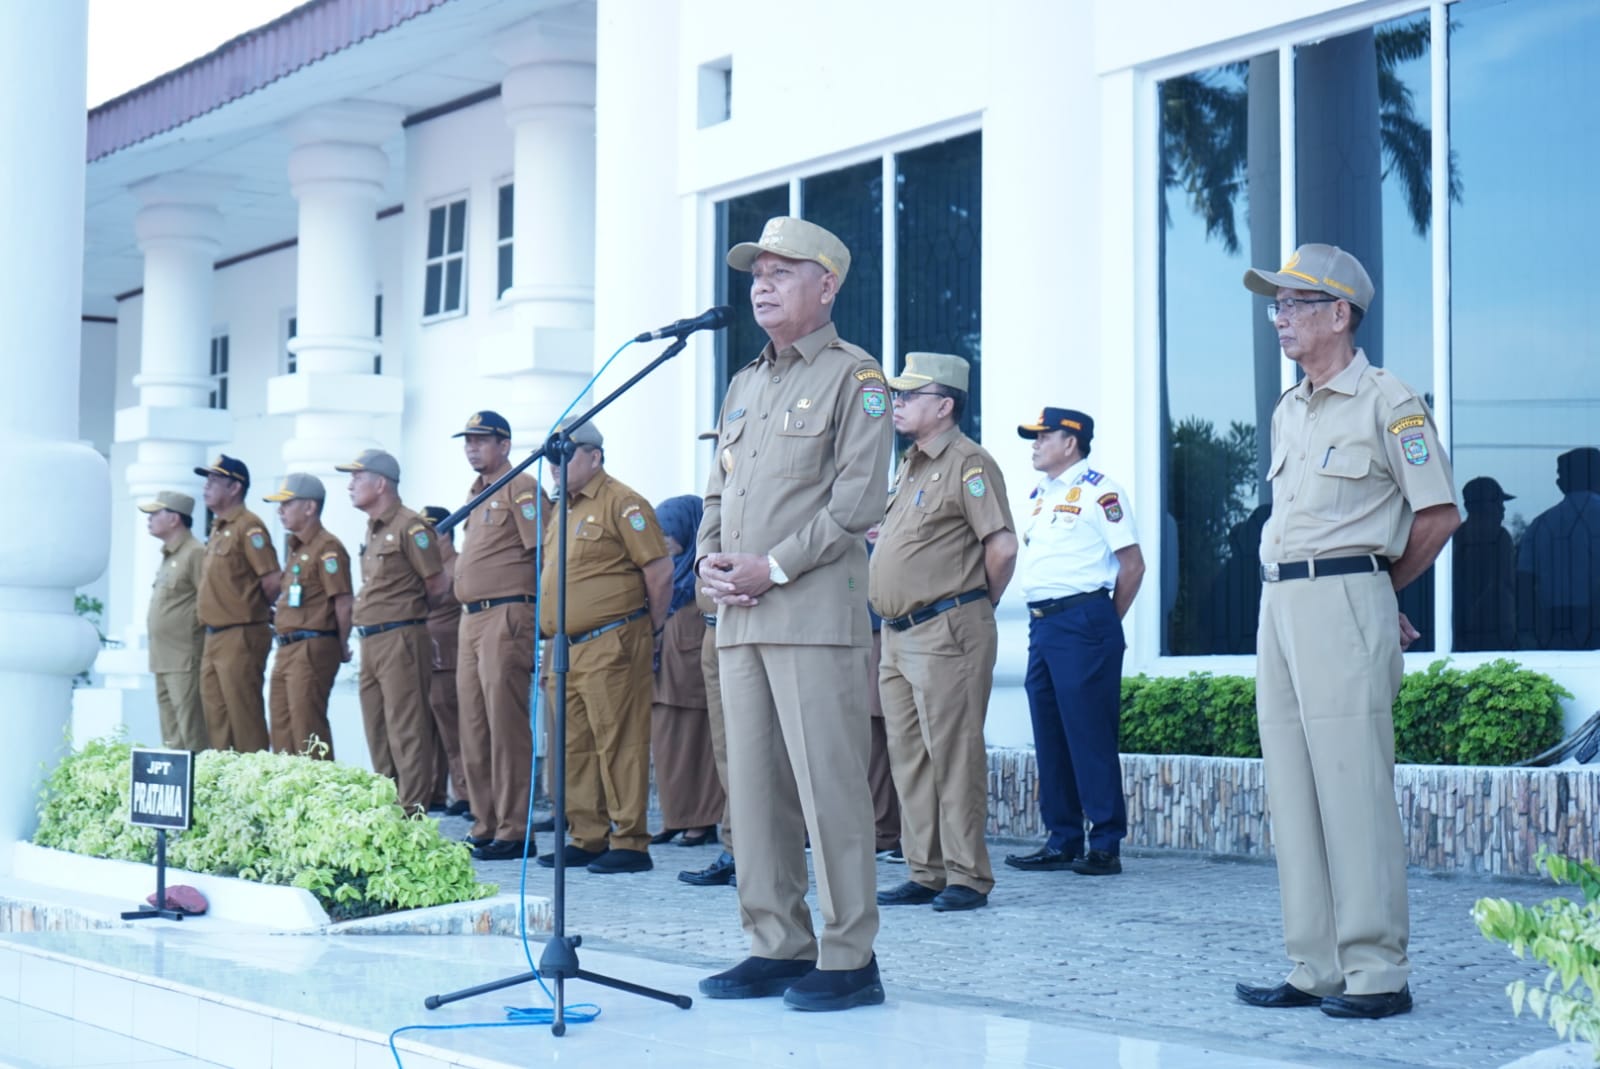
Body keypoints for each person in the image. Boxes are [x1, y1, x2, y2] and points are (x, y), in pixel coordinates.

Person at [1235, 243, 1459, 1020]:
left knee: (1352, 790)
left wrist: (1375, 587)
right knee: (1293, 789)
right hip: (1280, 606)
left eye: (1296, 304)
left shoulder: (1387, 400)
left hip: (1344, 601)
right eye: (1277, 305)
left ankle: (1376, 971)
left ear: (1341, 314)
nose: (1281, 319)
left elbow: (1438, 512)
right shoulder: (1289, 408)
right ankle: (1315, 963)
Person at [696, 215, 893, 1012]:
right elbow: (719, 487)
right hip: (739, 617)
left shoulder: (859, 378)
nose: (763, 285)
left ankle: (850, 955)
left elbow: (856, 501)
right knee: (753, 790)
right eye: (756, 274)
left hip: (809, 612)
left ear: (827, 285)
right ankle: (776, 941)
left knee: (828, 789)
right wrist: (712, 559)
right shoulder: (745, 381)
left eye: (783, 271)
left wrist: (770, 565)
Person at [870, 352, 1017, 914]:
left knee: (953, 755)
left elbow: (1001, 547)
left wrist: (975, 603)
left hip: (947, 627)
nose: (898, 403)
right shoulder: (910, 464)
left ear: (945, 405)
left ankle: (966, 875)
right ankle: (925, 870)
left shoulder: (969, 463)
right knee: (908, 756)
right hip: (899, 634)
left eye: (909, 395)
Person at [1005, 407, 1144, 879]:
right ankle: (1062, 837)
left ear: (1072, 442)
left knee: (1088, 734)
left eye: (1045, 436)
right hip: (1043, 626)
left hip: (1083, 620)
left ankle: (1104, 842)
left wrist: (1103, 620)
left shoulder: (1099, 491)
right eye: (1034, 437)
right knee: (1050, 733)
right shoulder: (1041, 496)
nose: (1036, 444)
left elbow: (1133, 565)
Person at [536, 421, 673, 875]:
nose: (556, 466)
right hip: (566, 646)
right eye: (551, 456)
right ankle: (587, 835)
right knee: (572, 745)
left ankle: (630, 842)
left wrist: (649, 631)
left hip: (613, 638)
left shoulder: (622, 502)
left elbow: (658, 571)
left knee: (620, 741)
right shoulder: (564, 508)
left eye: (567, 454)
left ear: (594, 456)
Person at [451, 410, 549, 862]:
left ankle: (514, 828)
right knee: (473, 724)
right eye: (468, 440)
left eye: (482, 440)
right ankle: (485, 821)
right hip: (471, 619)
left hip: (508, 613)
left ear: (504, 445)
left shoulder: (521, 488)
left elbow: (544, 550)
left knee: (505, 724)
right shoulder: (477, 493)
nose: (473, 447)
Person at [337, 448, 449, 813]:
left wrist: (409, 618)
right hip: (371, 640)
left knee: (406, 727)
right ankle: (388, 806)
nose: (350, 485)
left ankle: (412, 812)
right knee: (377, 729)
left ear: (380, 483)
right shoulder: (373, 529)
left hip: (400, 637)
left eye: (357, 478)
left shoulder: (410, 526)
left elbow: (436, 583)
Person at [680, 428, 739, 889]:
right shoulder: (716, 495)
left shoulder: (758, 491)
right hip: (713, 631)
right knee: (727, 748)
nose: (720, 451)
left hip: (748, 629)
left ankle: (752, 848)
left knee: (753, 748)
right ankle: (736, 846)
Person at [649, 495, 724, 848]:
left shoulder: (703, 568)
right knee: (666, 749)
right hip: (664, 675)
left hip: (692, 674)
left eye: (670, 530)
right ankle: (674, 816)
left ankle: (702, 820)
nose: (664, 538)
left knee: (698, 748)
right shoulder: (665, 569)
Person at [193, 455, 280, 752]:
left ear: (235, 488)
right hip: (214, 635)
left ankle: (254, 786)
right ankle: (225, 786)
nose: (206, 487)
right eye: (207, 481)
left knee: (245, 717)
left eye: (214, 481)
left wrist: (253, 611)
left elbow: (271, 579)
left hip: (240, 633)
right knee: (216, 717)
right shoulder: (219, 527)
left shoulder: (249, 527)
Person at [263, 474, 351, 758]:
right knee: (281, 725)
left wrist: (341, 645)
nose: (280, 511)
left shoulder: (327, 548)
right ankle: (289, 794)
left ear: (310, 508)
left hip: (312, 645)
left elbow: (343, 601)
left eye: (287, 504)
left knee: (307, 728)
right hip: (287, 647)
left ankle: (319, 793)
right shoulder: (297, 548)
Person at [138, 490, 207, 751]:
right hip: (163, 657)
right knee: (170, 733)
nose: (150, 519)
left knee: (190, 731)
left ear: (175, 519)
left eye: (156, 513)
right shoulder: (170, 555)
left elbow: (208, 602)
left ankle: (197, 784)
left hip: (185, 657)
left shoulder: (195, 553)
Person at [1517, 447, 1600, 650]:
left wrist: (1526, 631)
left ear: (1562, 484)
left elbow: (1524, 582)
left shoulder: (1540, 525)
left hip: (1553, 625)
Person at [420, 505, 470, 817]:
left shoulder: (456, 565)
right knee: (431, 730)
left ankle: (464, 792)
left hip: (447, 656)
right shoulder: (432, 568)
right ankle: (436, 790)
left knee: (454, 730)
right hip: (429, 656)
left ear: (445, 533)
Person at [1454, 477, 1516, 652]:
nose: (1503, 509)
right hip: (1494, 625)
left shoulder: (1457, 536)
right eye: (1497, 502)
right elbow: (1504, 583)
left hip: (1469, 625)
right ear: (1473, 506)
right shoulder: (1499, 537)